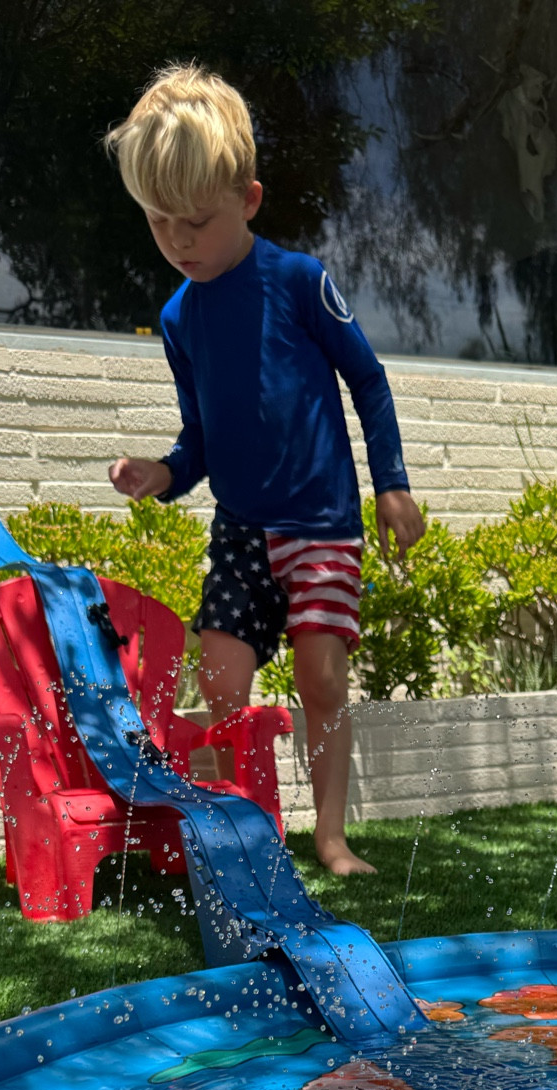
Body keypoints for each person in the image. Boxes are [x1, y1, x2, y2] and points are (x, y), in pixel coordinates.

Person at [104, 63, 425, 876]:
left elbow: (369, 379)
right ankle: (248, 835)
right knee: (220, 683)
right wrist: (165, 473)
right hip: (242, 523)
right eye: (158, 222)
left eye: (197, 222)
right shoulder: (181, 319)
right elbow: (202, 439)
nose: (179, 241)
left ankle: (329, 837)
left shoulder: (299, 282)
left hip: (319, 521)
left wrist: (391, 483)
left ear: (247, 200)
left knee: (321, 678)